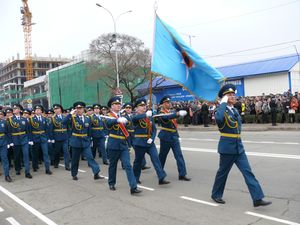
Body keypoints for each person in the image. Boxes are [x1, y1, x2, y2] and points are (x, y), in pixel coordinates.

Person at [211, 84, 271, 207]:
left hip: (238, 147)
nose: (233, 96)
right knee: (222, 173)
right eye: (229, 95)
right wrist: (222, 103)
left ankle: (257, 198)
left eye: (233, 94)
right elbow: (219, 118)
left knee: (248, 172)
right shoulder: (221, 111)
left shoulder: (234, 110)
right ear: (223, 98)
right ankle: (216, 194)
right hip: (227, 148)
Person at [105, 96, 141, 195]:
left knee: (128, 165)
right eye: (116, 104)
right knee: (113, 165)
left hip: (123, 144)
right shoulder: (109, 115)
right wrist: (117, 120)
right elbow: (108, 123)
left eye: (119, 104)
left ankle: (133, 187)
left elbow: (130, 127)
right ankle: (111, 183)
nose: (118, 105)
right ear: (111, 106)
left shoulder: (124, 115)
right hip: (113, 144)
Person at [132, 98, 170, 185]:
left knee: (156, 158)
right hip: (139, 143)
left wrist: (152, 138)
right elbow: (135, 119)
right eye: (141, 106)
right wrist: (146, 115)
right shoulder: (135, 117)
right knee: (138, 162)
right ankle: (135, 178)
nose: (143, 107)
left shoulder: (149, 117)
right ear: (136, 108)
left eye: (144, 105)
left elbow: (154, 129)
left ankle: (161, 177)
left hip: (149, 142)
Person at [62, 101, 103, 181]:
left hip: (85, 141)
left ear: (84, 109)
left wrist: (90, 139)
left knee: (90, 157)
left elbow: (89, 130)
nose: (79, 110)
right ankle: (74, 174)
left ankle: (96, 173)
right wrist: (70, 114)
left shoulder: (88, 118)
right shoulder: (72, 118)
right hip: (76, 141)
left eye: (80, 108)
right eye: (77, 108)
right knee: (75, 159)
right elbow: (63, 122)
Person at [158, 96, 191, 181]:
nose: (169, 104)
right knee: (162, 156)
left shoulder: (171, 112)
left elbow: (175, 124)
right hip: (165, 137)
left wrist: (181, 116)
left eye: (169, 102)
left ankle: (182, 174)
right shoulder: (161, 112)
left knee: (179, 155)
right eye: (167, 103)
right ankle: (160, 172)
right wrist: (177, 114)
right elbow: (167, 117)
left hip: (174, 136)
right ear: (163, 104)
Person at [6, 104, 32, 178]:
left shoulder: (24, 119)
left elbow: (28, 130)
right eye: (13, 108)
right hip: (15, 140)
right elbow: (8, 132)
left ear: (20, 110)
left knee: (26, 155)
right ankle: (17, 169)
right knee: (16, 156)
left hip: (24, 139)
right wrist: (10, 141)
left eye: (16, 108)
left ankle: (27, 172)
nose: (14, 109)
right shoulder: (10, 119)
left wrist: (29, 139)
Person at [29, 105, 52, 174]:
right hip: (35, 138)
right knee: (35, 153)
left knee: (46, 153)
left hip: (43, 138)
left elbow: (47, 129)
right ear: (34, 111)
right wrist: (30, 139)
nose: (38, 111)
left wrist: (48, 138)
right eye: (36, 110)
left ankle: (47, 169)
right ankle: (34, 166)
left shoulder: (45, 119)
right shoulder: (31, 119)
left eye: (39, 109)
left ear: (41, 111)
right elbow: (29, 130)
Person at [50, 104, 71, 170]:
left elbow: (68, 127)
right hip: (57, 137)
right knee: (57, 152)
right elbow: (51, 129)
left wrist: (69, 136)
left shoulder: (65, 117)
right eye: (55, 109)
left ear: (60, 109)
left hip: (65, 136)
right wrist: (52, 138)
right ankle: (56, 163)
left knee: (66, 151)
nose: (56, 110)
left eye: (57, 109)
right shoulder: (52, 118)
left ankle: (67, 165)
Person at [0, 116, 12, 182]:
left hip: (3, 142)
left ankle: (7, 175)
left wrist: (8, 142)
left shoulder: (4, 122)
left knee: (5, 159)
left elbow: (8, 133)